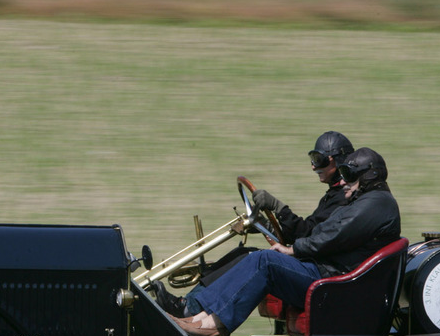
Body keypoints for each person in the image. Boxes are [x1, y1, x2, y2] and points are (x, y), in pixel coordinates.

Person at [171, 147, 400, 336]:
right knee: (258, 257)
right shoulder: (368, 202)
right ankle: (200, 317)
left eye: (350, 175)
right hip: (327, 274)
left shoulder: (377, 203)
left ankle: (214, 325)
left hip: (332, 283)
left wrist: (293, 250)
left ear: (369, 176)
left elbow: (334, 235)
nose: (345, 182)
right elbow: (321, 232)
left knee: (265, 261)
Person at [152, 131, 356, 317]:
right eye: (313, 159)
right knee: (244, 253)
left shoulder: (343, 199)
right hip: (312, 266)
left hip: (321, 276)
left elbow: (306, 235)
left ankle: (190, 308)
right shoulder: (334, 195)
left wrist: (278, 207)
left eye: (319, 160)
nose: (313, 166)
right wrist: (265, 225)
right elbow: (307, 233)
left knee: (254, 258)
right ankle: (189, 304)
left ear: (337, 160)